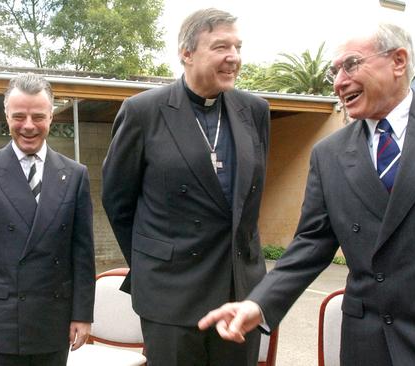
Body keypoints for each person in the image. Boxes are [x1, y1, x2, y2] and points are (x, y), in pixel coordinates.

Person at [198, 23, 415, 366]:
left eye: (350, 65)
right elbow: (311, 243)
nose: (338, 81)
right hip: (369, 342)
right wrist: (258, 303)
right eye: (334, 71)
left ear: (398, 61)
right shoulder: (329, 153)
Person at [102, 8, 270, 366]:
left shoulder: (255, 110)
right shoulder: (143, 111)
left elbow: (249, 201)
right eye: (221, 46)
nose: (234, 57)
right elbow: (117, 201)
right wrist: (153, 261)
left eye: (238, 47)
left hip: (238, 289)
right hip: (170, 292)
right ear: (187, 52)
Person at [0, 73, 95, 365]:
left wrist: (83, 314)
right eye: (19, 116)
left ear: (51, 117)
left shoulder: (75, 174)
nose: (29, 126)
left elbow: (82, 252)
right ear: (6, 115)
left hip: (53, 321)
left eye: (38, 116)